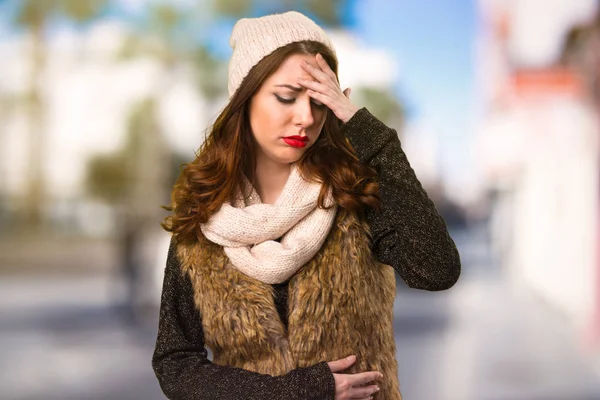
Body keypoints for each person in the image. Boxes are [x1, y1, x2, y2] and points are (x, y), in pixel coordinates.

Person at [152, 11, 460, 400]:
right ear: (244, 100)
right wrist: (298, 391)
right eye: (286, 97)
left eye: (318, 100)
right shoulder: (204, 214)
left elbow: (438, 270)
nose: (306, 117)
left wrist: (367, 132)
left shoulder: (354, 193)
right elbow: (175, 363)